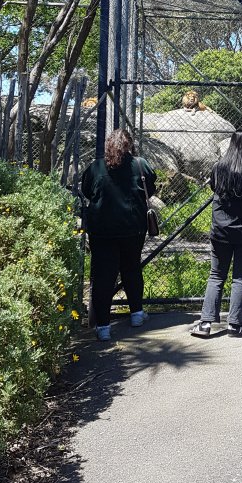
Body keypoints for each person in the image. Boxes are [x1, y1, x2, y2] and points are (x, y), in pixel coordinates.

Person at [191, 131, 242, 338]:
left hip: (221, 231)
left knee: (216, 275)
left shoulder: (219, 168)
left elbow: (214, 188)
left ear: (231, 145)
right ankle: (235, 324)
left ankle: (205, 323)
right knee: (240, 277)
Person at [81, 127, 156, 341]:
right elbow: (150, 188)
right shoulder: (140, 164)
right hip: (133, 228)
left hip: (102, 230)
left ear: (108, 145)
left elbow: (87, 191)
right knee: (132, 268)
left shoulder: (96, 167)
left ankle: (103, 326)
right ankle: (137, 314)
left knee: (104, 276)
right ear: (129, 145)